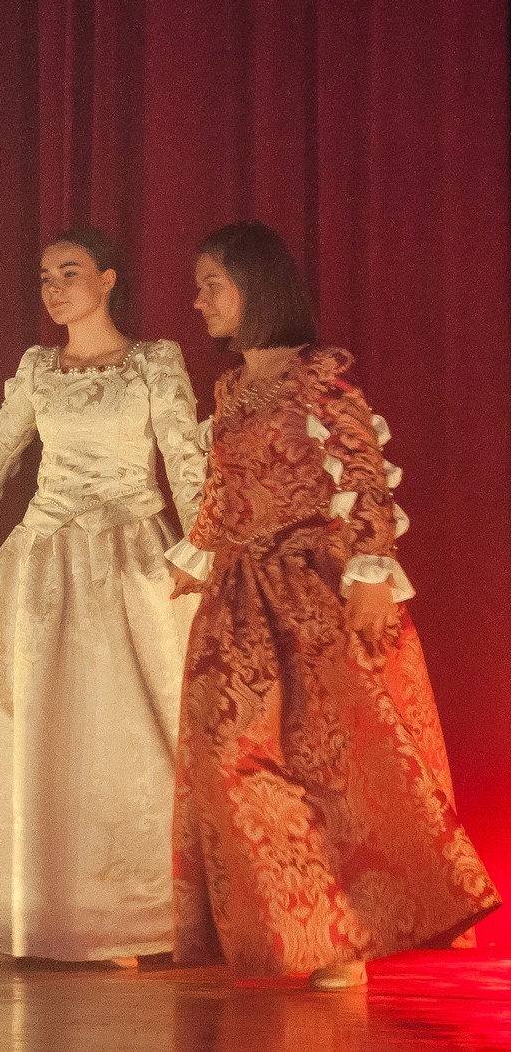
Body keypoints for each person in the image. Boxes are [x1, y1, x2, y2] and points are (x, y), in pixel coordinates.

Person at [168, 220, 498, 989]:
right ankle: (300, 923)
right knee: (229, 755)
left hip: (306, 590)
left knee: (323, 762)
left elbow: (365, 471)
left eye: (212, 284)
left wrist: (373, 570)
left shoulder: (317, 376)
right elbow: (224, 488)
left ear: (256, 286)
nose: (199, 300)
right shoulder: (230, 388)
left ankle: (344, 936)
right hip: (239, 596)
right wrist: (199, 551)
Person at [0, 229, 205, 965]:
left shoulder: (154, 362)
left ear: (108, 279)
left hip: (130, 559)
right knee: (44, 740)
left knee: (130, 736)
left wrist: (203, 555)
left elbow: (186, 462)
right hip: (44, 566)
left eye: (70, 272)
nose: (55, 288)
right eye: (45, 277)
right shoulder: (38, 369)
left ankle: (137, 916)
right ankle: (35, 912)